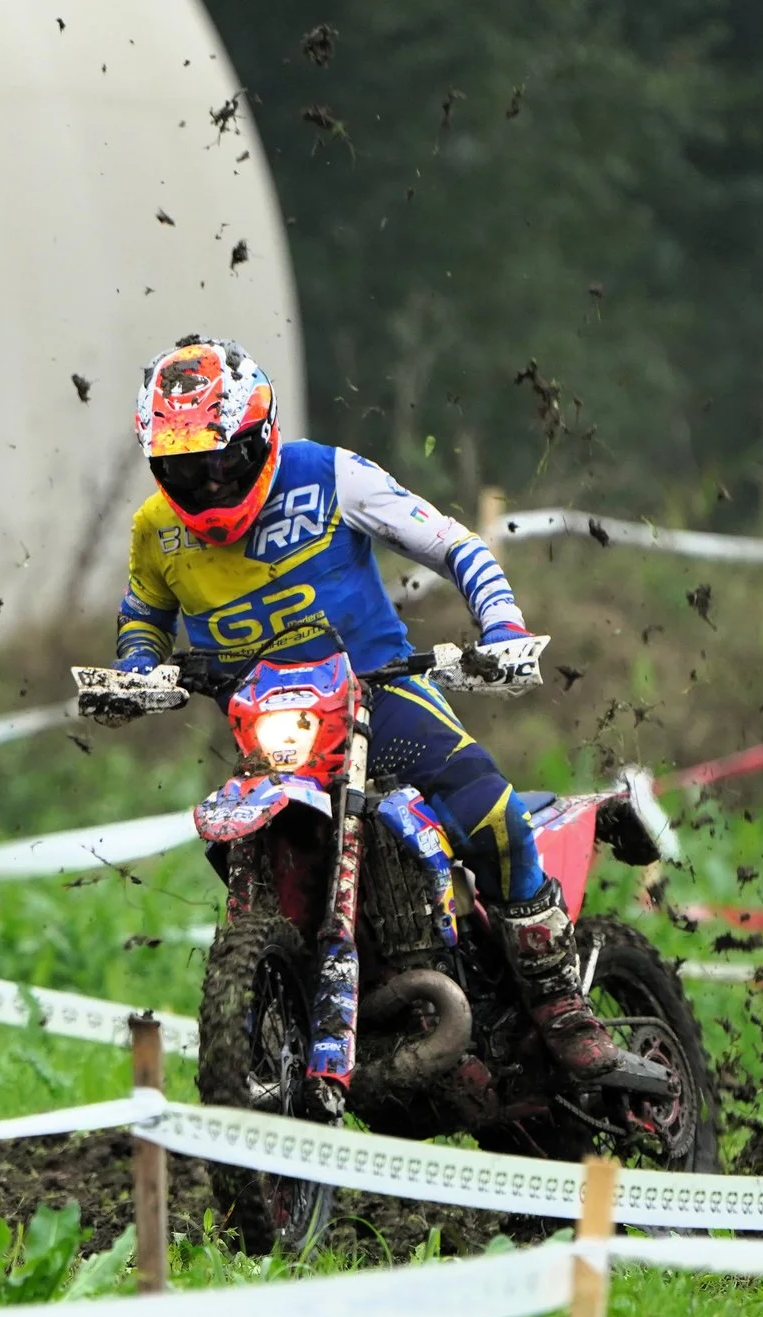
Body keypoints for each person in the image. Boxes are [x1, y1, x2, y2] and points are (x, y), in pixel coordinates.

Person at [109, 335, 621, 1077]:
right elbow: (143, 612)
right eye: (185, 468)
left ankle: (560, 1003)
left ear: (259, 436)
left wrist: (501, 626)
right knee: (232, 837)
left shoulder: (329, 476)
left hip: (382, 699)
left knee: (494, 817)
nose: (209, 483)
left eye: (222, 461)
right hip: (274, 730)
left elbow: (453, 544)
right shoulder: (154, 529)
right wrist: (136, 669)